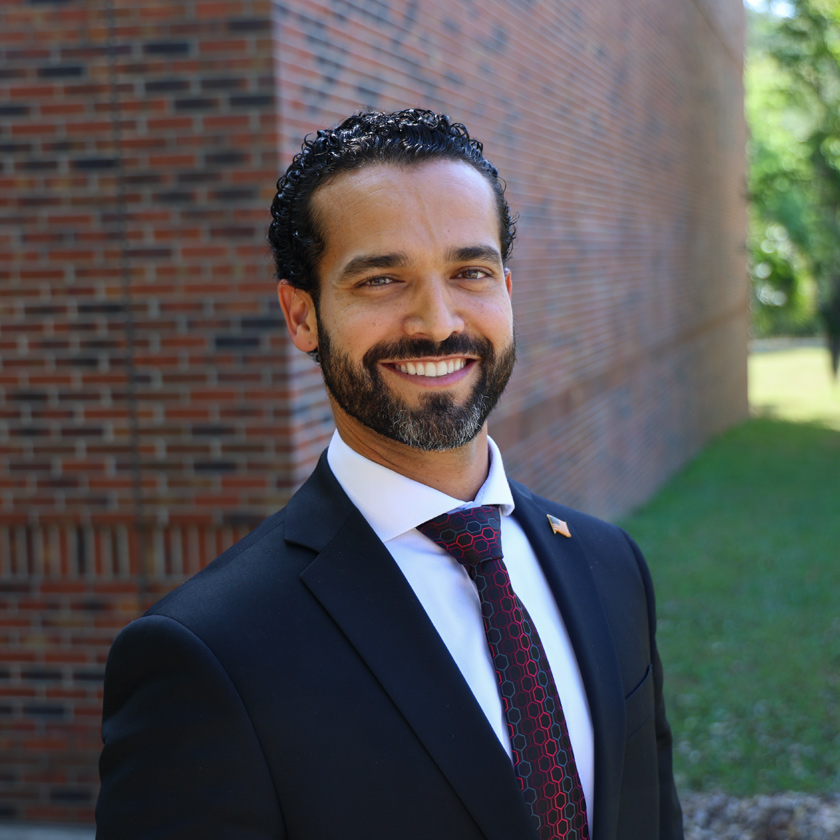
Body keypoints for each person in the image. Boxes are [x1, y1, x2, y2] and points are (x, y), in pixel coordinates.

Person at [96, 108, 684, 840]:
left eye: (469, 272)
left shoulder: (609, 565)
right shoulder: (208, 655)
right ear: (302, 316)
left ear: (507, 289)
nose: (437, 321)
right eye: (381, 280)